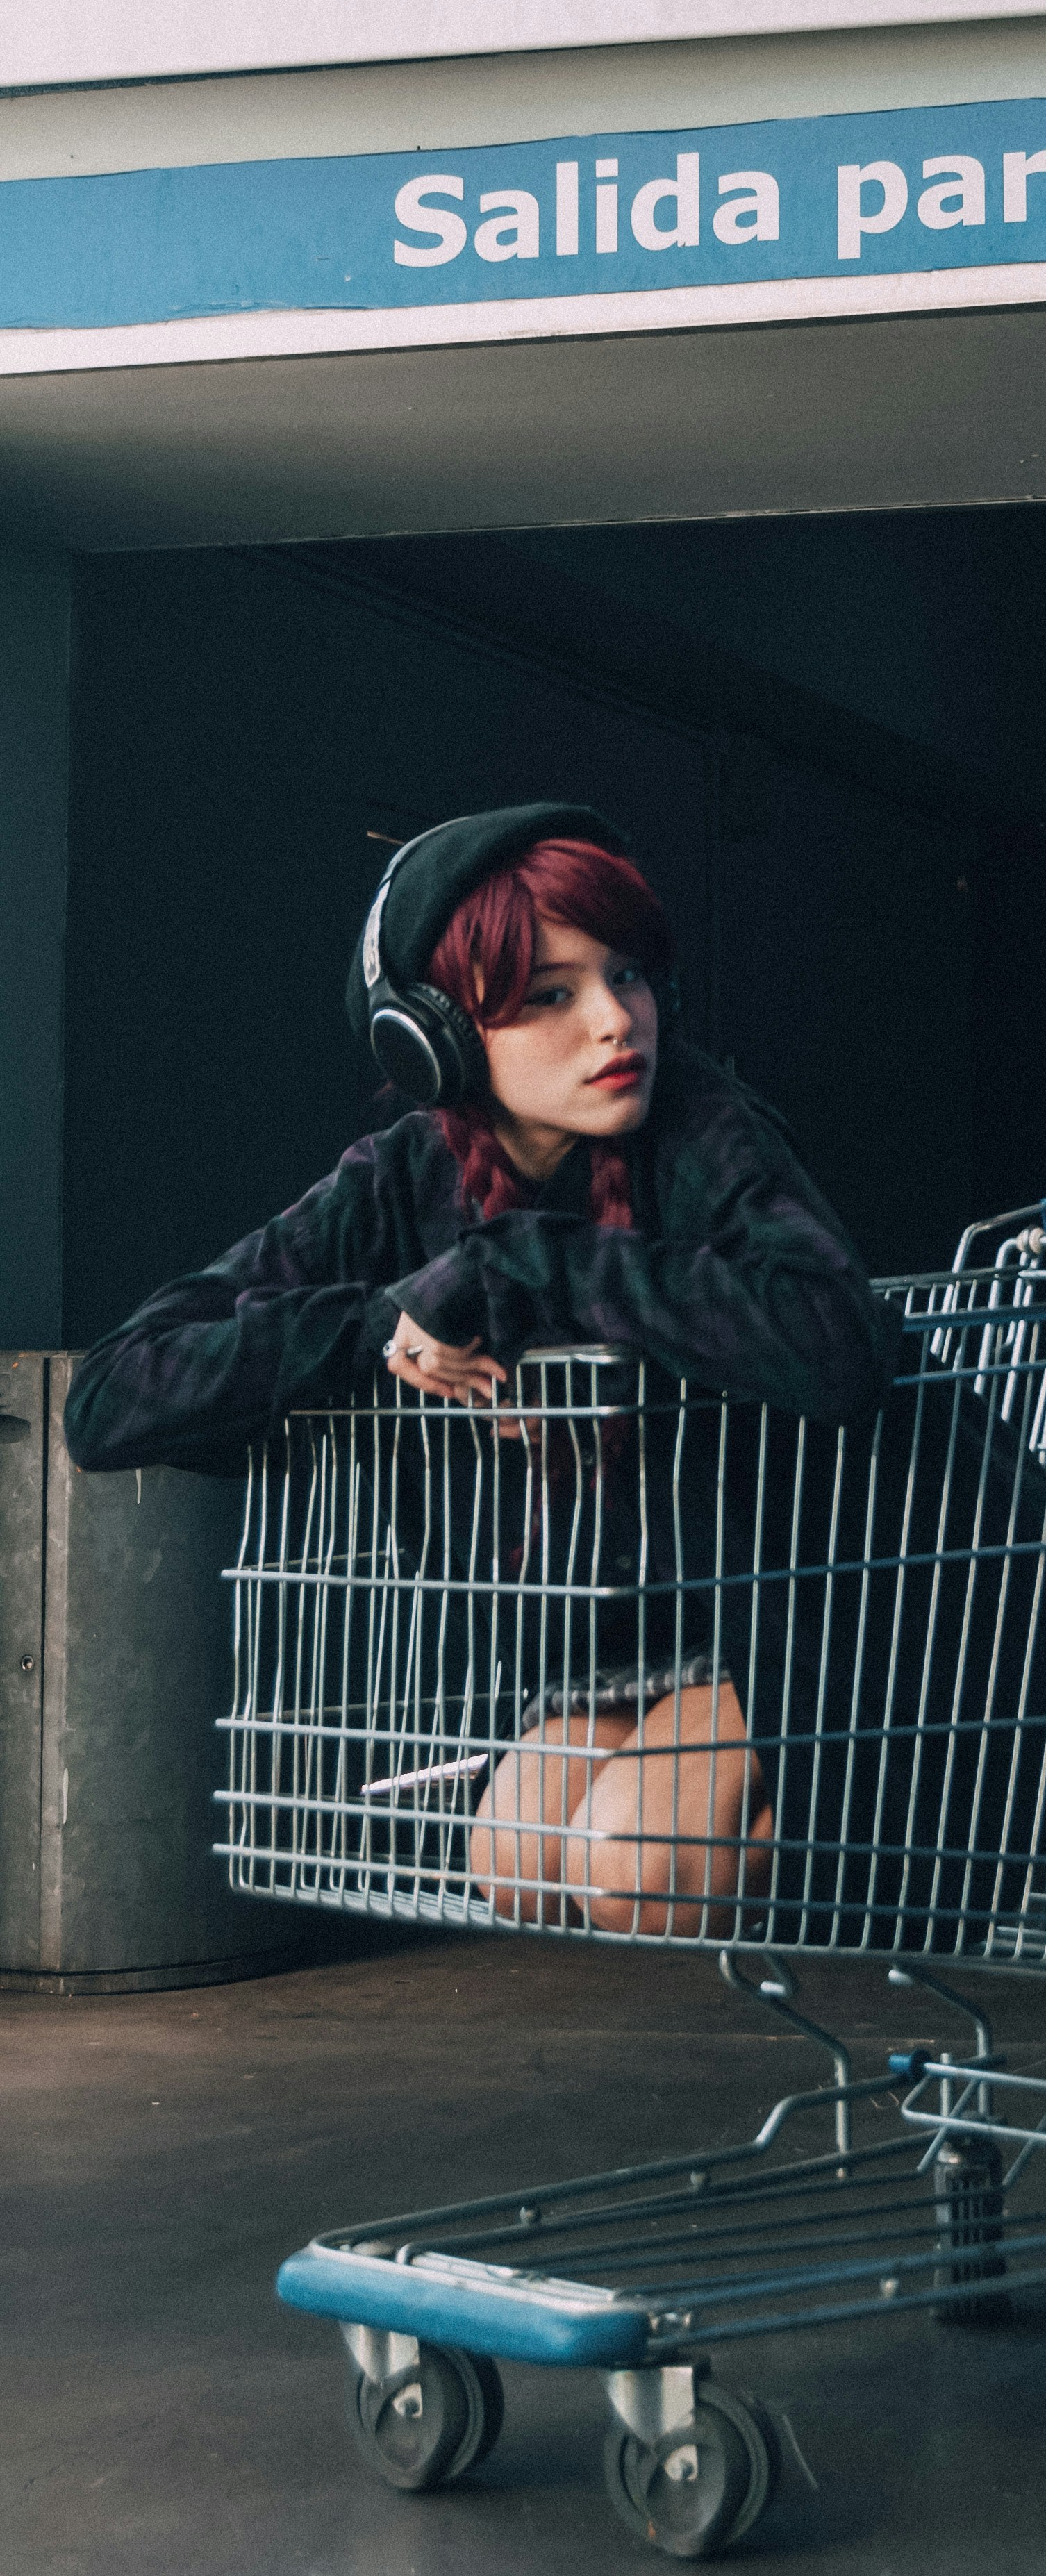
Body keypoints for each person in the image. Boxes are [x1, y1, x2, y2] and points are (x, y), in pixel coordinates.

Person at [65, 804, 897, 1936]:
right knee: (515, 1861)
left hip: (799, 1629)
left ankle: (881, 1890)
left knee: (627, 1870)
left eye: (629, 977)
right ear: (439, 1038)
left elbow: (836, 1346)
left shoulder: (705, 1128)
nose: (617, 1022)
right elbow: (114, 1395)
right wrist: (372, 1327)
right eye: (552, 995)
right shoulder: (400, 1182)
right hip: (603, 1653)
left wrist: (530, 1263)